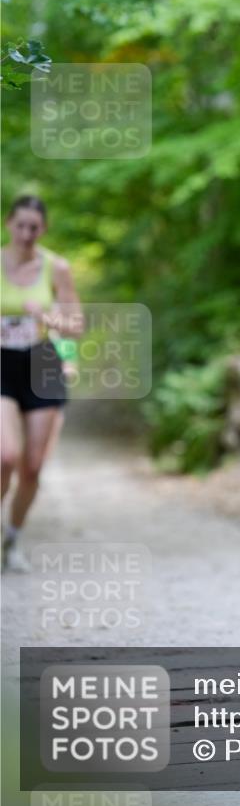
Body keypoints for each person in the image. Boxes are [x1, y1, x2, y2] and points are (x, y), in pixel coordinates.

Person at [1, 195, 83, 572]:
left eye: (34, 227)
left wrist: (47, 316)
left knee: (32, 467)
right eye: (21, 225)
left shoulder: (56, 267)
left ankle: (12, 537)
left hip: (41, 360)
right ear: (8, 224)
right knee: (5, 457)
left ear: (43, 229)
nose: (27, 233)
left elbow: (75, 325)